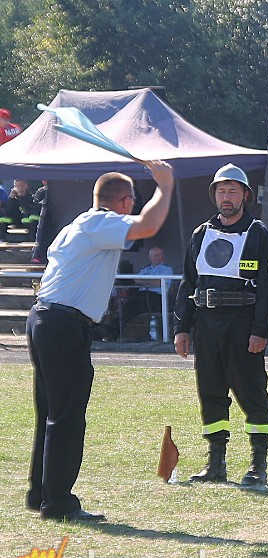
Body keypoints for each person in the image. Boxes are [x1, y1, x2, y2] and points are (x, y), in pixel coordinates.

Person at [26, 160, 174, 521]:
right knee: (67, 416)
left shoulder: (79, 223)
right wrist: (166, 186)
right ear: (123, 201)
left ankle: (41, 493)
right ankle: (57, 502)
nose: (133, 208)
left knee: (52, 413)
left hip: (46, 319)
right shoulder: (102, 222)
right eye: (132, 201)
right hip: (62, 325)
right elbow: (149, 224)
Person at [174, 164, 268, 486]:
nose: (226, 196)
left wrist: (260, 331)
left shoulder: (259, 234)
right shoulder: (200, 233)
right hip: (207, 325)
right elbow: (188, 282)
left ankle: (257, 463)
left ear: (245, 195)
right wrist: (181, 327)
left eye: (233, 190)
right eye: (221, 190)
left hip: (243, 324)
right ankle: (215, 463)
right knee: (211, 393)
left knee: (252, 394)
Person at [118, 245, 173, 335]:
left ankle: (115, 329)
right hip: (142, 295)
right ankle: (115, 327)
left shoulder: (166, 269)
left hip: (157, 298)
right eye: (155, 255)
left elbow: (158, 283)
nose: (158, 257)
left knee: (133, 307)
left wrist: (143, 281)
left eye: (160, 255)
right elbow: (136, 280)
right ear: (149, 257)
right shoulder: (146, 268)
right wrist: (148, 282)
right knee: (129, 306)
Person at [30, 180, 51, 263]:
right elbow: (35, 205)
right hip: (40, 220)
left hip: (51, 219)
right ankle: (37, 256)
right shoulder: (40, 191)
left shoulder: (55, 192)